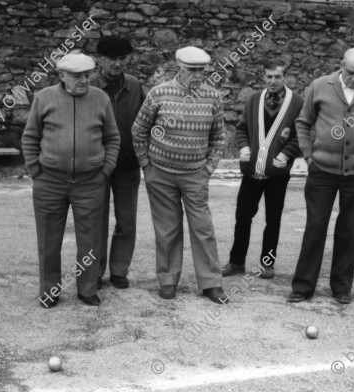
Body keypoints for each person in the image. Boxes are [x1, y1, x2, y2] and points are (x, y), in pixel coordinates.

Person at [289, 48, 354, 304]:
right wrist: (309, 157)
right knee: (315, 227)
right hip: (321, 171)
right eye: (351, 72)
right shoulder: (319, 86)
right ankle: (303, 286)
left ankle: (342, 287)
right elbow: (303, 123)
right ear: (340, 65)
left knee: (349, 229)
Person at [22, 52, 120, 308]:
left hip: (91, 182)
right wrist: (36, 171)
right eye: (77, 76)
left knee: (90, 240)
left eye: (87, 75)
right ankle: (49, 290)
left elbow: (112, 138)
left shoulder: (101, 99)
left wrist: (104, 170)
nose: (84, 80)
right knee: (48, 240)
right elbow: (30, 137)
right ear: (62, 75)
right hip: (49, 181)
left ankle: (87, 288)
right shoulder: (44, 98)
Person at [131, 46, 229, 304]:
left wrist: (209, 167)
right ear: (179, 67)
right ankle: (167, 280)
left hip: (195, 174)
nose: (197, 75)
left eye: (201, 71)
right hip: (160, 173)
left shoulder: (213, 97)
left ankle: (211, 284)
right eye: (192, 70)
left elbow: (219, 136)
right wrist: (145, 164)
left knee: (203, 228)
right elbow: (139, 130)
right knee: (167, 229)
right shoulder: (158, 93)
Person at [222, 60, 304, 280]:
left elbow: (301, 135)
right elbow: (241, 130)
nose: (273, 81)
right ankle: (236, 262)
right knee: (242, 217)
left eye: (277, 77)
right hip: (252, 172)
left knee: (273, 219)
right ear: (263, 77)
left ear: (286, 77)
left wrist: (286, 154)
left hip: (277, 174)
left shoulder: (297, 103)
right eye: (269, 76)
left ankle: (267, 264)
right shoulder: (254, 100)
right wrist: (244, 148)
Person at [91, 36, 146, 290]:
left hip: (128, 165)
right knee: (96, 221)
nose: (118, 63)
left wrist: (142, 155)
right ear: (99, 59)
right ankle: (96, 271)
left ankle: (120, 271)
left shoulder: (134, 86)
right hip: (98, 167)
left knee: (127, 220)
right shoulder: (89, 86)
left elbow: (146, 121)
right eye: (112, 58)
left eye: (122, 58)